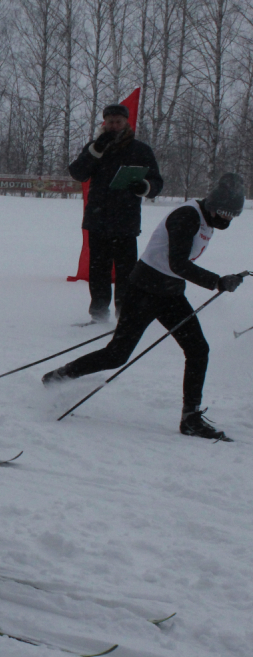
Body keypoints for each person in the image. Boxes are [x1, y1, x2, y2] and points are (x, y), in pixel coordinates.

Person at [42, 173, 247, 441]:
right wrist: (217, 281)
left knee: (198, 349)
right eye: (224, 213)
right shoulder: (187, 216)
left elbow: (176, 269)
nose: (227, 220)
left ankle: (190, 418)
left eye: (232, 215)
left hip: (171, 295)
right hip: (143, 292)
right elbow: (178, 263)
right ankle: (57, 377)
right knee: (116, 355)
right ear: (213, 206)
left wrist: (217, 282)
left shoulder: (207, 220)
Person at [69, 103, 164, 323]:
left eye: (118, 122)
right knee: (98, 271)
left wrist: (145, 187)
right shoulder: (95, 147)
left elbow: (157, 181)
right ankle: (99, 315)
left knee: (127, 273)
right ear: (104, 122)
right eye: (110, 122)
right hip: (98, 219)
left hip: (126, 220)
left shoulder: (140, 150)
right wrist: (95, 151)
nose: (113, 126)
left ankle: (125, 316)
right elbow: (78, 173)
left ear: (126, 122)